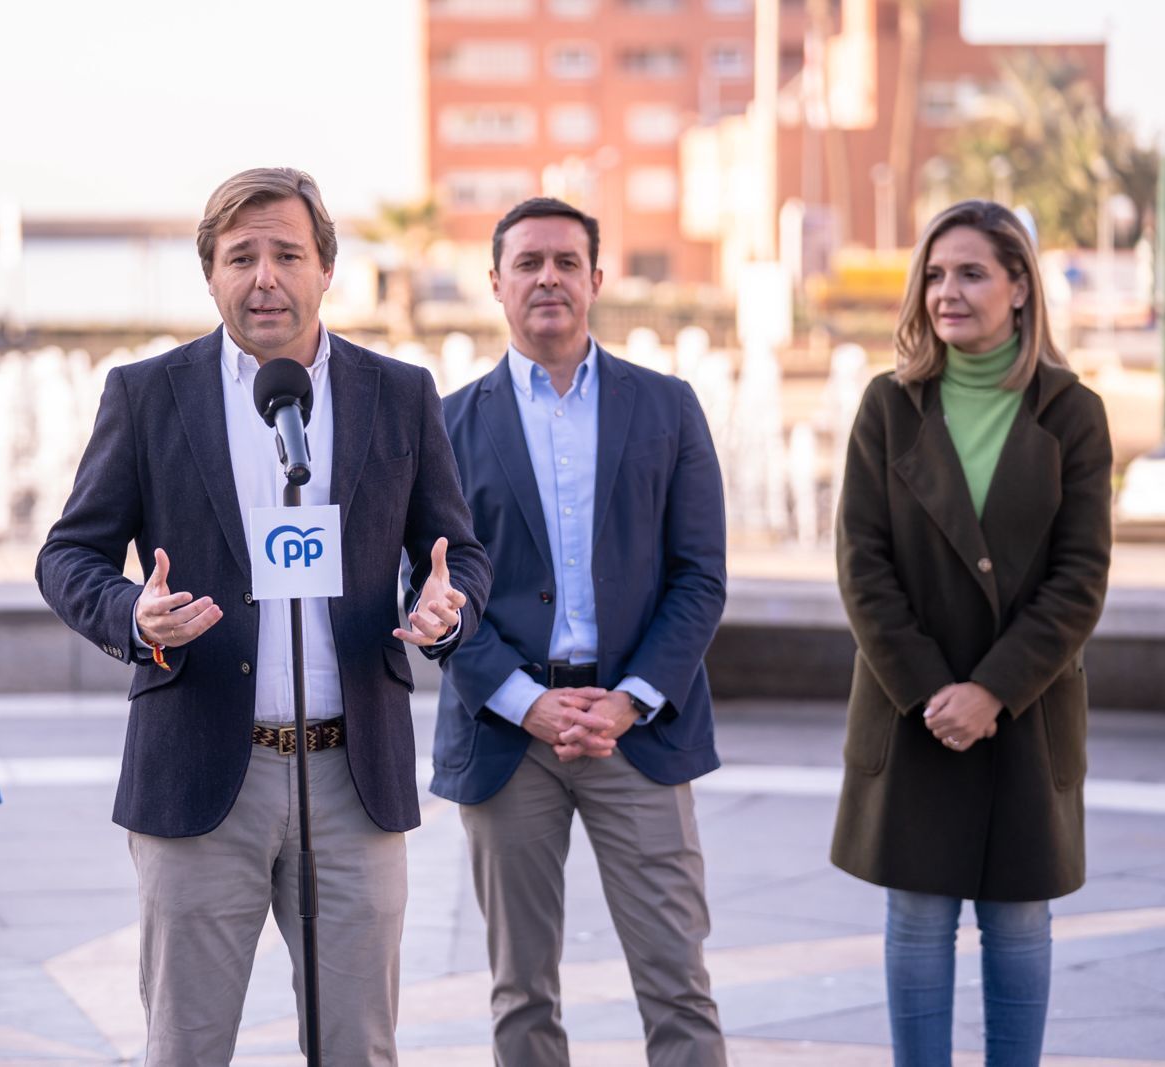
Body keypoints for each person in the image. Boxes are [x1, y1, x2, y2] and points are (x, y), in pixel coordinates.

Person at [36, 166, 491, 1066]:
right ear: (210, 275)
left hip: (353, 775)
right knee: (187, 1048)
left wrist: (446, 606)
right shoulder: (147, 393)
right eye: (240, 256)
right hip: (204, 772)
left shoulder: (398, 393)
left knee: (357, 1048)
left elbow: (457, 551)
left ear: (327, 267)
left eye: (287, 253)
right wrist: (135, 613)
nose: (264, 277)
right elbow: (67, 555)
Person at [433, 197, 729, 1066]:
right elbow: (431, 591)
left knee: (677, 980)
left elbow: (700, 575)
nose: (548, 277)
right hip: (504, 733)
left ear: (598, 278)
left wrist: (629, 700)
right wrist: (526, 703)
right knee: (521, 990)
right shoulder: (445, 423)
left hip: (636, 730)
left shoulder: (668, 407)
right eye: (528, 263)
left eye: (567, 261)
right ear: (495, 283)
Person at [831, 199, 1112, 1066]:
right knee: (916, 916)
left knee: (1020, 918)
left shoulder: (1073, 412)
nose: (946, 291)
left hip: (1024, 714)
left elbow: (1081, 577)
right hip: (913, 710)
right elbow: (861, 565)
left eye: (972, 272)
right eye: (937, 274)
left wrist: (993, 688)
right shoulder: (890, 406)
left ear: (1021, 287)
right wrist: (932, 691)